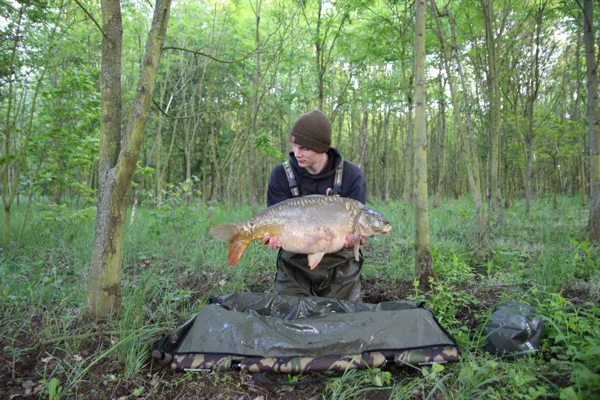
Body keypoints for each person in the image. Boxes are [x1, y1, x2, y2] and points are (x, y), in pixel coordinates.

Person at [262, 109, 367, 302]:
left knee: (342, 314)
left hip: (340, 264)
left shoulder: (351, 175)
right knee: (291, 312)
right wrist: (272, 237)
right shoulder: (281, 174)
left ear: (321, 148)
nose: (297, 153)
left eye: (304, 148)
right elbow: (273, 220)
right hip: (294, 262)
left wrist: (355, 238)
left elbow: (358, 226)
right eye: (294, 145)